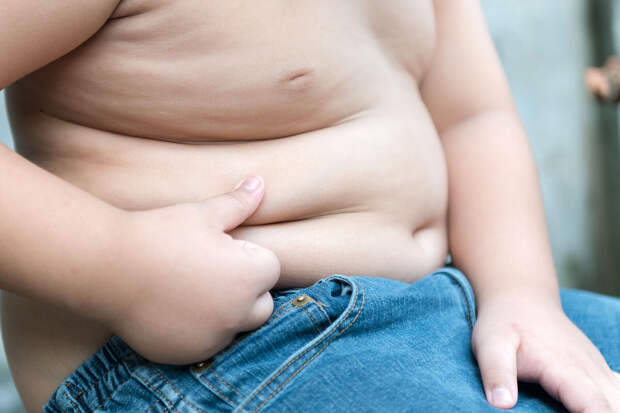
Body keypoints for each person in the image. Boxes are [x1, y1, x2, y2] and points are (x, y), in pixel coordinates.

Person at [0, 1, 619, 412]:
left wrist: (523, 297)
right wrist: (119, 266)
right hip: (222, 353)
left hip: (443, 305)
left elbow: (473, 119)